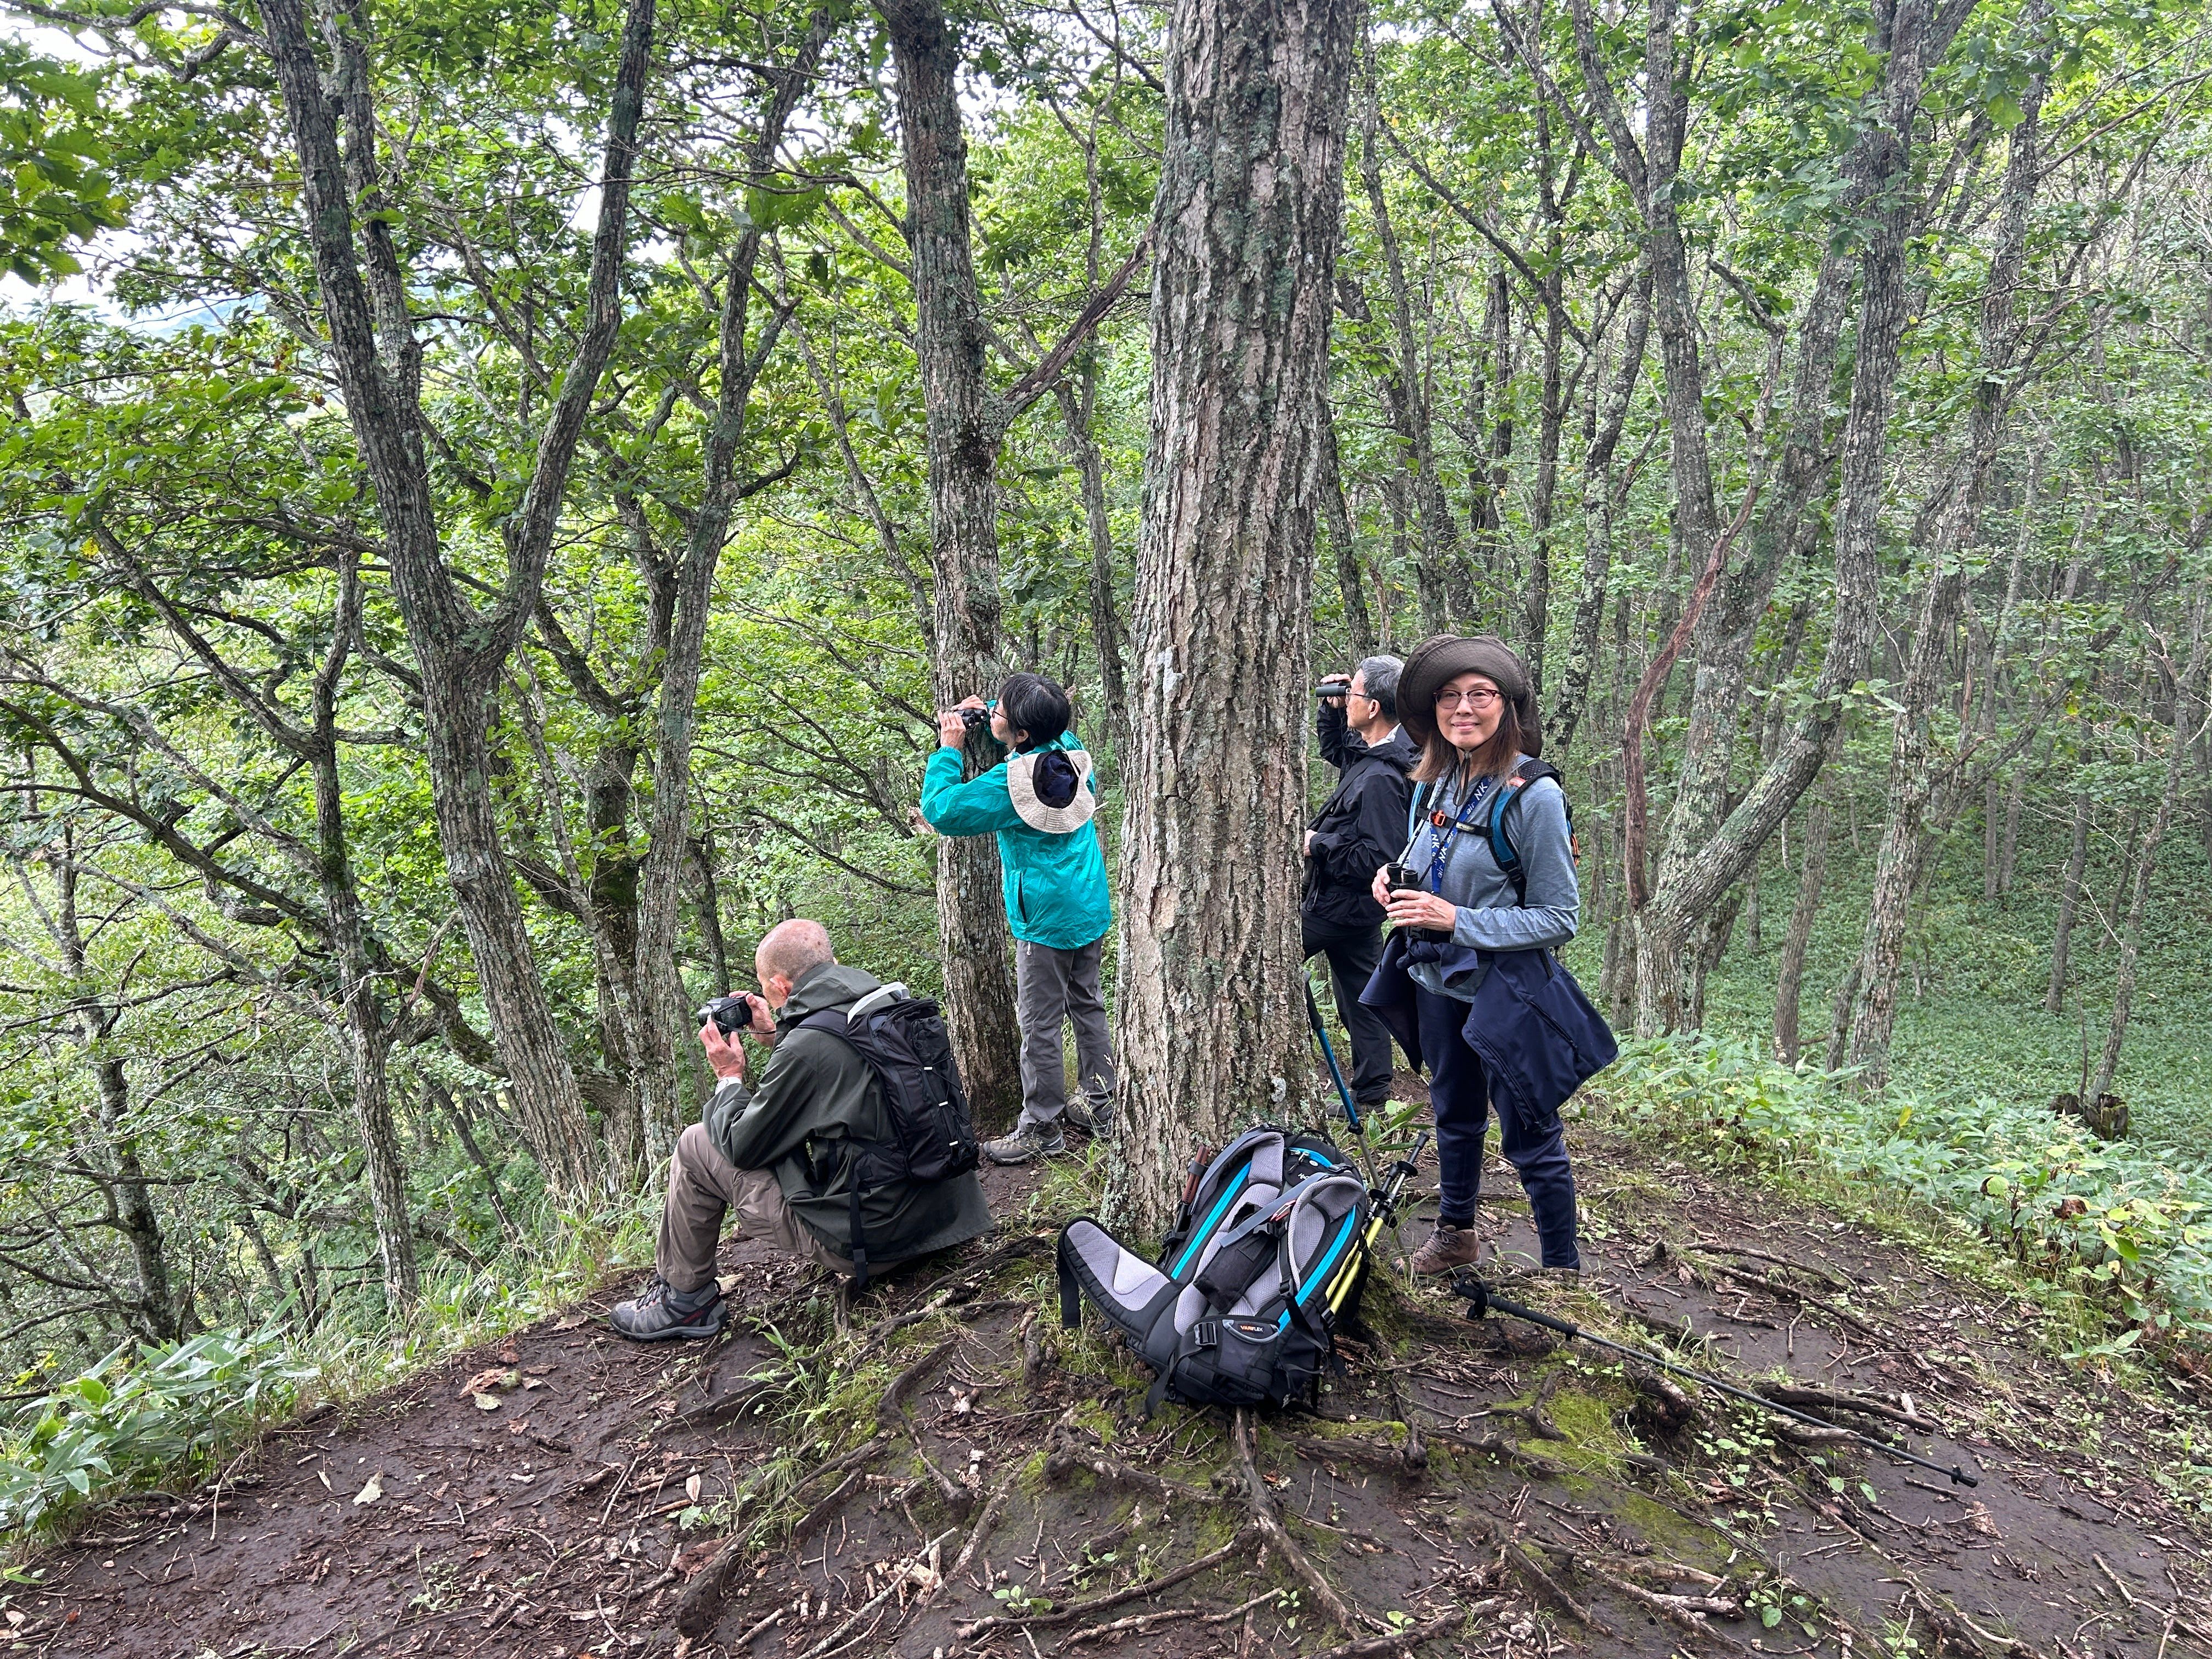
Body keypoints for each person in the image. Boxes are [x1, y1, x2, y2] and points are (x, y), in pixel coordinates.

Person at [610, 919, 992, 1340]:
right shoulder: (885, 1003)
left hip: (882, 1240)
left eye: (768, 991)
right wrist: (776, 1035)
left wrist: (729, 1077)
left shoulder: (807, 1046)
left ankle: (684, 1300)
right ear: (831, 961)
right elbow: (841, 1070)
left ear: (781, 985)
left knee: (696, 1142)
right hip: (952, 1216)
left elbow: (743, 1146)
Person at [1365, 634, 1584, 1275]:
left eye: (1480, 695)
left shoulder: (1533, 796)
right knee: (1453, 1112)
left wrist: (1457, 919)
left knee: (1532, 1136)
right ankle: (1456, 1234)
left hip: (1507, 992)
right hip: (1437, 981)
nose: (1463, 708)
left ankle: (1562, 1271)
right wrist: (1391, 876)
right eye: (1450, 696)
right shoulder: (1436, 782)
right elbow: (1423, 859)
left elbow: (1559, 917)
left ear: (1507, 706)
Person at [921, 673, 1114, 1165]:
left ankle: (1041, 1126)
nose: (996, 713)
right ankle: (1102, 1103)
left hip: (1044, 920)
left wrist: (949, 748)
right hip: (1086, 902)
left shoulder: (1013, 786)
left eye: (1002, 711)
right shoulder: (1067, 746)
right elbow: (1028, 720)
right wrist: (988, 712)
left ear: (1022, 734)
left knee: (1040, 1023)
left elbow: (942, 810)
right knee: (1087, 1004)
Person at [1303, 657, 1416, 1116]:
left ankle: (1369, 1092)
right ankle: (1372, 1094)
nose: (1348, 700)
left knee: (1262, 959)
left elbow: (1380, 858)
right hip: (1355, 910)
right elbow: (1340, 753)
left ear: (1372, 708)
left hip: (1336, 907)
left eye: (1354, 695)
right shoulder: (1382, 750)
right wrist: (1331, 710)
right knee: (1361, 996)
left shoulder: (1385, 779)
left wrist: (1318, 845)